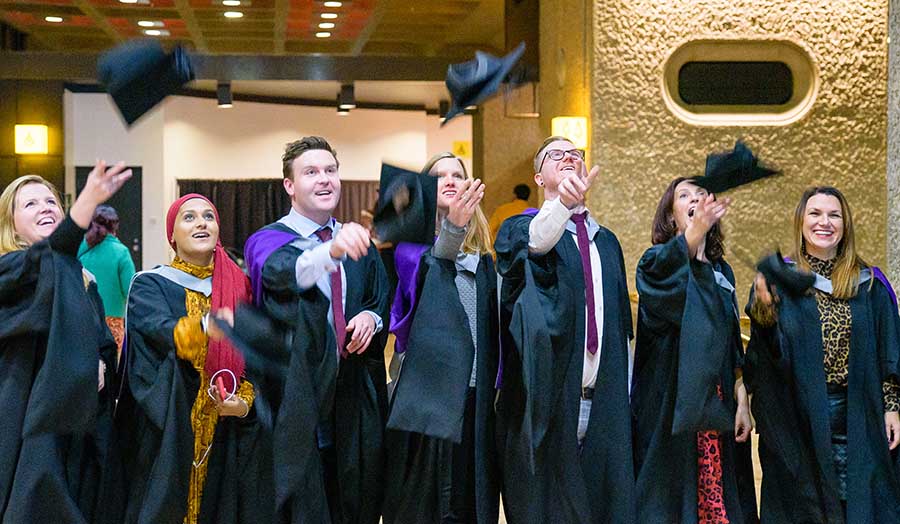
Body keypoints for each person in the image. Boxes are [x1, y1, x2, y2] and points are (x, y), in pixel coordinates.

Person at [244, 136, 390, 524]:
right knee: (305, 504)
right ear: (289, 186)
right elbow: (287, 273)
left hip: (353, 392)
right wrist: (332, 251)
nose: (324, 180)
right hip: (297, 396)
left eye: (330, 170)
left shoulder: (358, 241)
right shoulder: (267, 240)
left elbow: (379, 298)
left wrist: (370, 319)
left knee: (357, 498)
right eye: (311, 172)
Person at [494, 136, 635, 524]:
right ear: (540, 178)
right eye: (557, 155)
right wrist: (562, 207)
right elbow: (535, 245)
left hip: (603, 400)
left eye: (576, 154)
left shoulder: (607, 242)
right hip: (548, 402)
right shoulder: (518, 230)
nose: (570, 158)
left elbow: (620, 327)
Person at [111, 193, 271, 524]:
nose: (201, 222)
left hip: (226, 432)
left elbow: (258, 362)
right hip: (168, 430)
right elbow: (158, 331)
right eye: (189, 217)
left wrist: (242, 402)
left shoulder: (240, 288)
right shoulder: (150, 285)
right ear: (171, 235)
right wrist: (202, 327)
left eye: (208, 216)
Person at [746, 186, 900, 523]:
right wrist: (765, 312)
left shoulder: (870, 283)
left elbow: (889, 349)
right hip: (799, 420)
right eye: (815, 214)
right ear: (801, 221)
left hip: (859, 416)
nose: (824, 222)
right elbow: (764, 353)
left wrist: (892, 407)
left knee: (859, 504)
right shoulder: (781, 280)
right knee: (805, 507)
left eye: (834, 215)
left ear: (845, 225)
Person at [0, 162, 129, 523]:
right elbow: (47, 260)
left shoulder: (82, 279)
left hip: (75, 426)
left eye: (51, 201)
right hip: (25, 421)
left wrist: (101, 363)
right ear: (11, 224)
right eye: (30, 204)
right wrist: (86, 203)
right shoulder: (11, 271)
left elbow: (102, 343)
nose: (45, 207)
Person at [383, 152, 500, 524]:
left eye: (457, 174)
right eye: (438, 175)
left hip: (474, 396)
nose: (449, 180)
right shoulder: (408, 248)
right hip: (427, 400)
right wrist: (453, 228)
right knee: (425, 507)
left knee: (468, 502)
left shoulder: (486, 258)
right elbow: (432, 271)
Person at [632, 177, 757, 524]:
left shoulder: (722, 271)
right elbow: (669, 298)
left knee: (724, 503)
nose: (695, 200)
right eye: (685, 195)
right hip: (671, 405)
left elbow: (731, 342)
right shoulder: (656, 262)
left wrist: (742, 399)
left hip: (718, 405)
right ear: (672, 216)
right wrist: (692, 238)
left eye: (702, 195)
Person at [78, 204, 136, 353]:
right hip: (113, 322)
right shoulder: (121, 252)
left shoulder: (80, 249)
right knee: (112, 369)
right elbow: (130, 290)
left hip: (82, 318)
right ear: (115, 226)